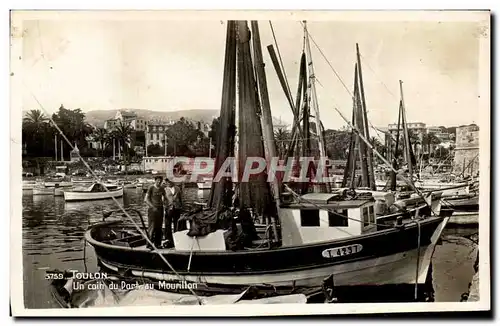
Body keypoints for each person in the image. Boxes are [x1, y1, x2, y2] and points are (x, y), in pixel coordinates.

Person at [144, 176, 167, 249]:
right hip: (152, 210)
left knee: (159, 227)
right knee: (152, 227)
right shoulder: (151, 188)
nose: (159, 182)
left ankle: (158, 244)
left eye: (160, 181)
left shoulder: (162, 188)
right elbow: (146, 199)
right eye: (157, 181)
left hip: (160, 209)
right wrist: (152, 207)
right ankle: (149, 244)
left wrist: (166, 204)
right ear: (155, 181)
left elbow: (165, 198)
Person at [164, 179, 184, 244]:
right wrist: (164, 208)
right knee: (168, 224)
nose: (169, 183)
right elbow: (163, 200)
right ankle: (169, 239)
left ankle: (176, 238)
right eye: (167, 182)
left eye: (170, 181)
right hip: (168, 208)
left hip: (177, 208)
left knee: (177, 223)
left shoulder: (177, 188)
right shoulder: (164, 190)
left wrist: (181, 207)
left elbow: (181, 198)